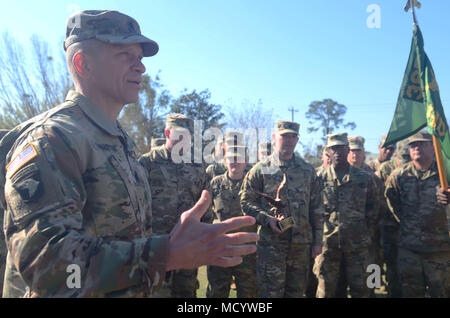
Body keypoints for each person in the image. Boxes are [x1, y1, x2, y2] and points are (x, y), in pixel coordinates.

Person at [0, 10, 258, 298]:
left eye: (140, 58)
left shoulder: (116, 139)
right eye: (125, 56)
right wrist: (165, 254)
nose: (141, 68)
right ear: (83, 63)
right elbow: (48, 268)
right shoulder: (54, 139)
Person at [240, 120, 323, 298]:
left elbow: (316, 208)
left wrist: (317, 241)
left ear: (297, 139)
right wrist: (266, 219)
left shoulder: (307, 171)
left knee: (296, 293)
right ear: (274, 137)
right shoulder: (261, 169)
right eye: (284, 136)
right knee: (270, 294)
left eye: (293, 136)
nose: (289, 140)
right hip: (272, 246)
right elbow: (246, 202)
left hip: (300, 247)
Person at [139, 113, 207, 298]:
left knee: (187, 292)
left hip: (188, 241)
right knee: (158, 292)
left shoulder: (198, 164)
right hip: (156, 244)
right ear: (167, 133)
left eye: (188, 135)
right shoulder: (148, 162)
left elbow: (204, 200)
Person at [385, 131, 450, 297]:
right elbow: (392, 207)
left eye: (422, 144)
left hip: (440, 249)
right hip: (409, 248)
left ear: (434, 148)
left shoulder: (445, 174)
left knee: (441, 292)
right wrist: (410, 226)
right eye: (413, 145)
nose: (416, 148)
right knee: (410, 292)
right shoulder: (398, 176)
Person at [314, 133, 380, 298]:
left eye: (342, 148)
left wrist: (363, 231)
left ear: (348, 150)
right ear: (328, 151)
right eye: (333, 148)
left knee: (362, 290)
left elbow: (374, 209)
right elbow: (311, 210)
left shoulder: (364, 178)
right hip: (327, 246)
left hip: (358, 246)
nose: (338, 152)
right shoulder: (317, 179)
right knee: (326, 291)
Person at [204, 146, 257, 298]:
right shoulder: (215, 183)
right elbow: (206, 215)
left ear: (246, 162)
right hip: (220, 249)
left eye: (239, 158)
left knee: (248, 294)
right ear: (225, 161)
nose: (235, 162)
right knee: (217, 292)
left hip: (247, 251)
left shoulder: (253, 185)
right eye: (230, 158)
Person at [376, 139, 410, 298]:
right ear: (379, 148)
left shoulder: (408, 165)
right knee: (375, 261)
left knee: (398, 262)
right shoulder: (373, 168)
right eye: (385, 148)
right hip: (380, 225)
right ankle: (375, 287)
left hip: (401, 225)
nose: (388, 151)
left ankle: (386, 287)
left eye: (391, 148)